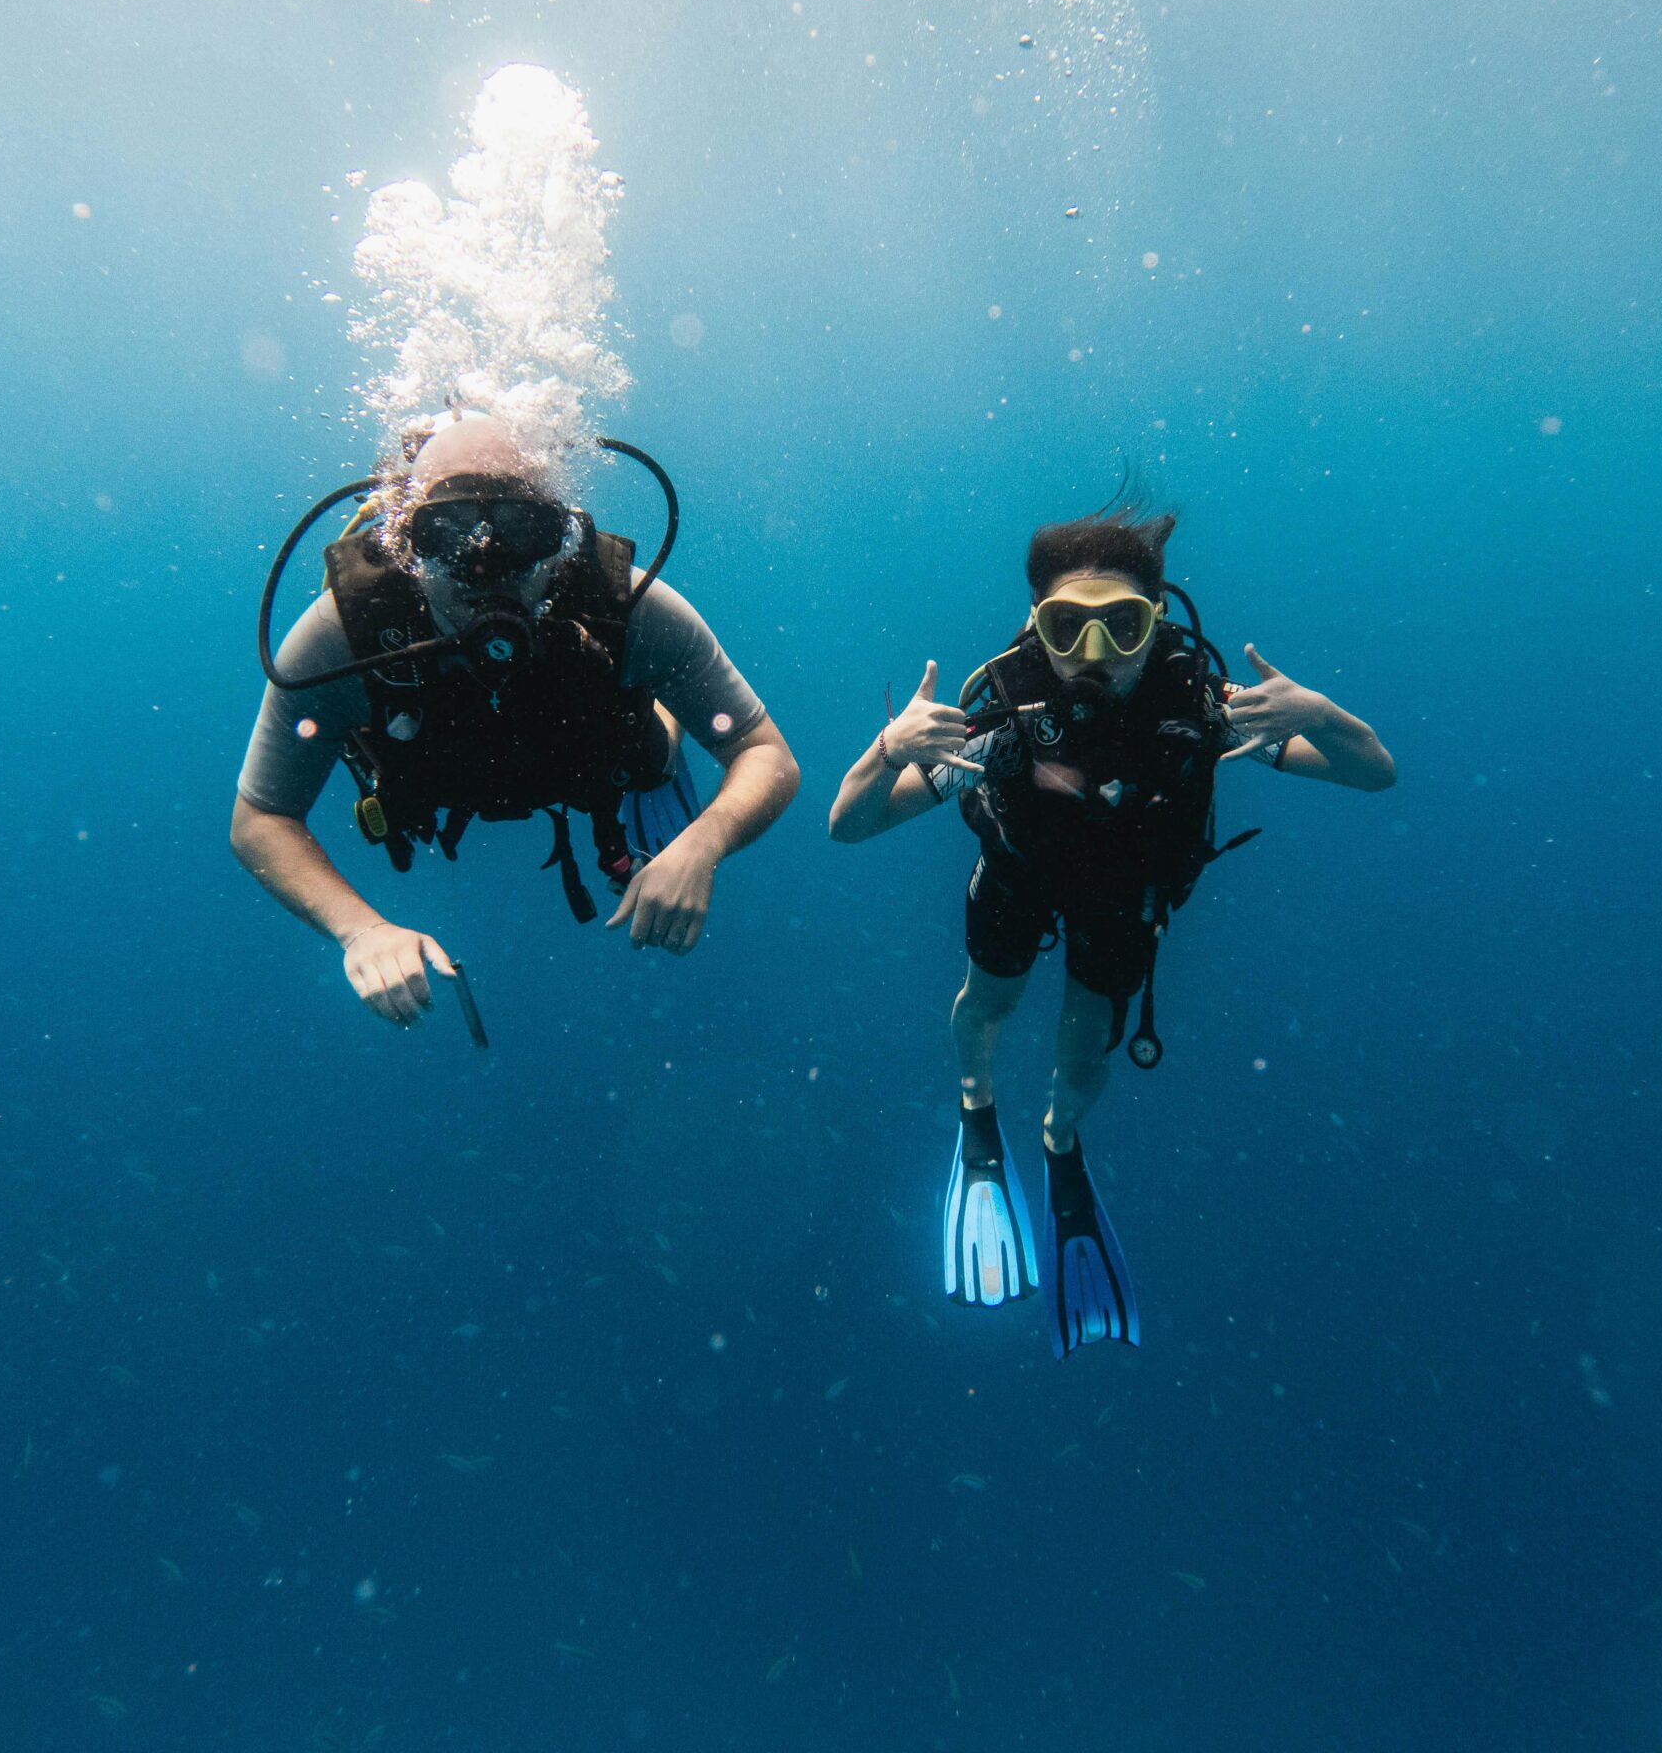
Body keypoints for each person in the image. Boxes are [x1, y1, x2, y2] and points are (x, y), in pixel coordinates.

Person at [827, 501, 1395, 1355]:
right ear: (1036, 628)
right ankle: (977, 1110)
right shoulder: (998, 724)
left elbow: (1373, 773)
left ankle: (1060, 1142)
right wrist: (888, 749)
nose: (1093, 655)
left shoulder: (1206, 711)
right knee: (988, 1002)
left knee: (1086, 1045)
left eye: (1121, 627)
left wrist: (1320, 713)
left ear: (1156, 624)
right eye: (1067, 627)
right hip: (1017, 878)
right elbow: (848, 823)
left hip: (1125, 901)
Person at [234, 415, 799, 1028]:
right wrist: (359, 931)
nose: (485, 561)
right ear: (404, 538)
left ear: (561, 532)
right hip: (430, 773)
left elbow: (763, 750)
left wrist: (704, 843)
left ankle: (666, 712)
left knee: (648, 758)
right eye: (447, 529)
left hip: (597, 760)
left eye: (521, 526)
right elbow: (261, 817)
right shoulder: (344, 633)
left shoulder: (629, 609)